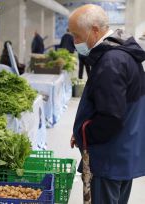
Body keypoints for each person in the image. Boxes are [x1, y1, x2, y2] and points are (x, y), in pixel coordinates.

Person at [69, 4, 145, 204]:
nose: (75, 42)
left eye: (77, 36)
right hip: (122, 152)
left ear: (95, 30)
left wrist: (84, 133)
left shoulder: (111, 61)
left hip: (108, 158)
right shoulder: (124, 55)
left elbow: (110, 117)